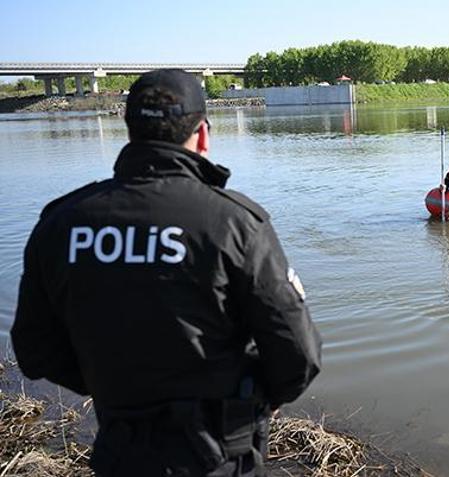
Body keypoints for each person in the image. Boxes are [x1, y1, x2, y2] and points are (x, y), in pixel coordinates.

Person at [11, 69, 322, 477]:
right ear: (204, 134)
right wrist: (262, 395)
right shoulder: (234, 222)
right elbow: (298, 353)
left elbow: (34, 350)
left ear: (130, 131)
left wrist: (110, 386)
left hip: (119, 453)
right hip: (219, 456)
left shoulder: (61, 223)